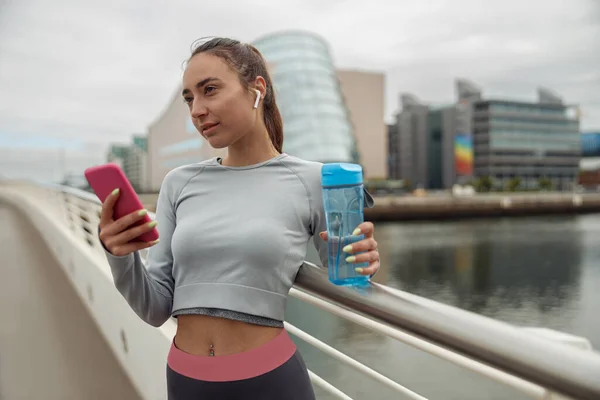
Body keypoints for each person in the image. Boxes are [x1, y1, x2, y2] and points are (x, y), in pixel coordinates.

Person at [98, 37, 380, 400]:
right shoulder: (179, 184)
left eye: (210, 90)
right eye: (189, 98)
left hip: (271, 383)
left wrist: (364, 261)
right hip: (186, 381)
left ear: (256, 90)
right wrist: (119, 255)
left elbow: (346, 279)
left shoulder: (313, 180)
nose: (197, 109)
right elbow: (155, 308)